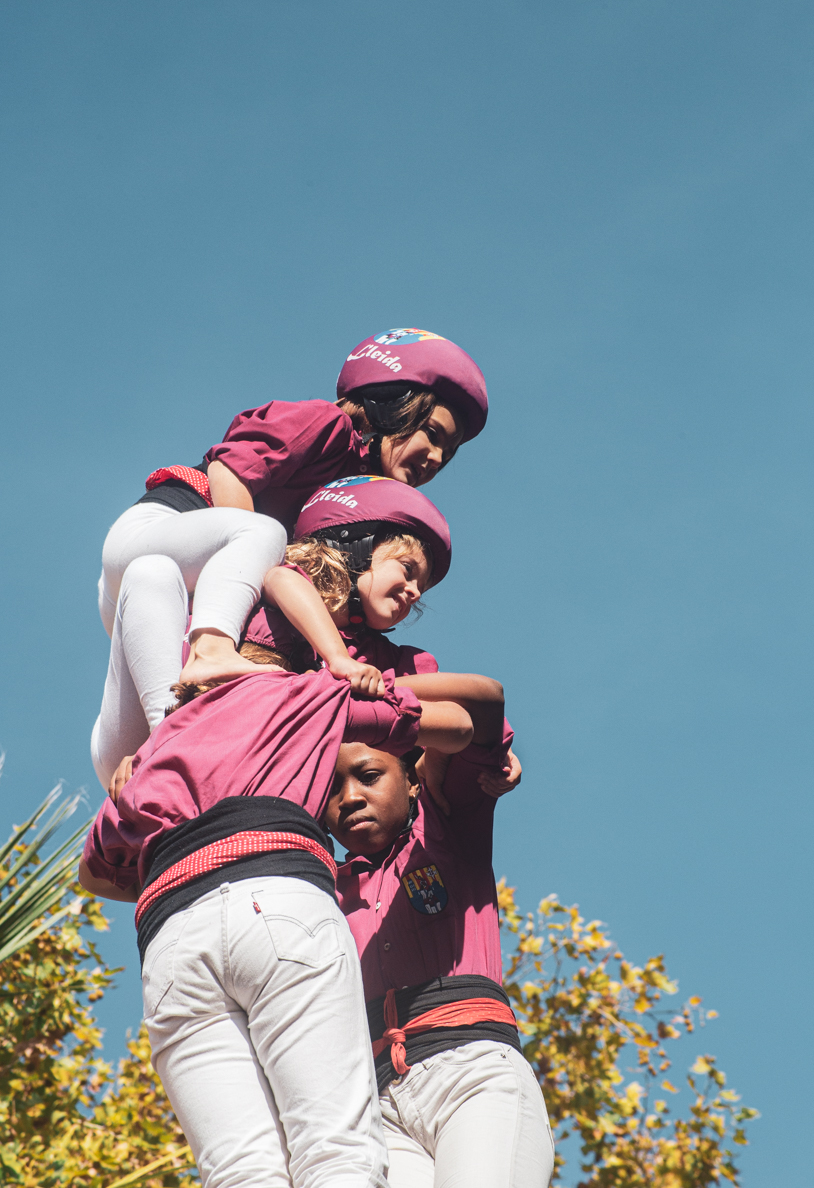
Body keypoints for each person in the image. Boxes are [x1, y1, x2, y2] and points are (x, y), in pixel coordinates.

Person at [80, 653, 477, 1188]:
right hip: (275, 899)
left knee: (239, 1170)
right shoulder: (293, 696)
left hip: (171, 937)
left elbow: (94, 875)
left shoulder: (155, 751)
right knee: (335, 1150)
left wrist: (191, 866)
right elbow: (459, 726)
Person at [97, 326, 487, 692]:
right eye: (432, 434)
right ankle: (211, 652)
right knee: (266, 535)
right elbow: (228, 470)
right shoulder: (329, 425)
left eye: (448, 453)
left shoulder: (357, 494)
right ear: (393, 407)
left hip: (156, 591)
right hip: (158, 530)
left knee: (170, 712)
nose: (437, 458)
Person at [325, 675, 555, 1188]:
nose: (350, 797)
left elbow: (486, 703)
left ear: (412, 778)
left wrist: (356, 689)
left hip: (471, 1075)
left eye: (369, 775)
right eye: (331, 789)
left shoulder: (446, 825)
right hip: (379, 1109)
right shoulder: (320, 891)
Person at [93, 476, 456, 789]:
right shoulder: (270, 580)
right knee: (149, 571)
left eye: (421, 588)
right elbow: (281, 579)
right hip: (144, 726)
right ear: (356, 545)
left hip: (225, 754)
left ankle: (169, 743)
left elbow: (450, 705)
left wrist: (459, 756)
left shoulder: (380, 658)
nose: (414, 592)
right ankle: (167, 733)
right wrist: (338, 659)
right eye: (407, 569)